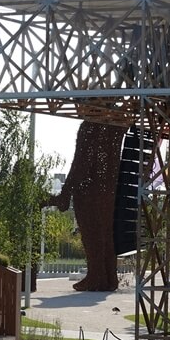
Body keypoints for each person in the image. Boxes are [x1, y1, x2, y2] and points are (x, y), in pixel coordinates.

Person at [44, 120, 126, 291]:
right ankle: (109, 277)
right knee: (106, 234)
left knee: (92, 233)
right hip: (111, 189)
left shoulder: (91, 126)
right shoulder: (116, 126)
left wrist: (66, 193)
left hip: (89, 190)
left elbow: (81, 163)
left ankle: (96, 276)